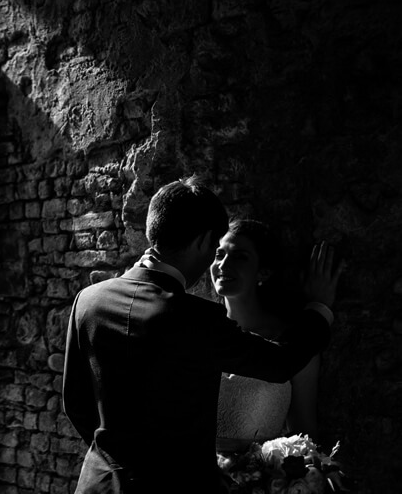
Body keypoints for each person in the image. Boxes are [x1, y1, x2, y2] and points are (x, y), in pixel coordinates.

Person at [62, 177, 342, 493]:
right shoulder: (194, 316)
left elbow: (76, 403)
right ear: (203, 241)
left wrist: (117, 458)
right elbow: (279, 364)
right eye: (215, 248)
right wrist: (319, 309)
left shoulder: (88, 299)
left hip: (98, 484)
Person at [211, 219, 329, 452]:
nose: (223, 265)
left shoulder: (293, 344)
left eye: (240, 257)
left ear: (263, 271)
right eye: (219, 254)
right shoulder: (199, 331)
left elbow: (304, 434)